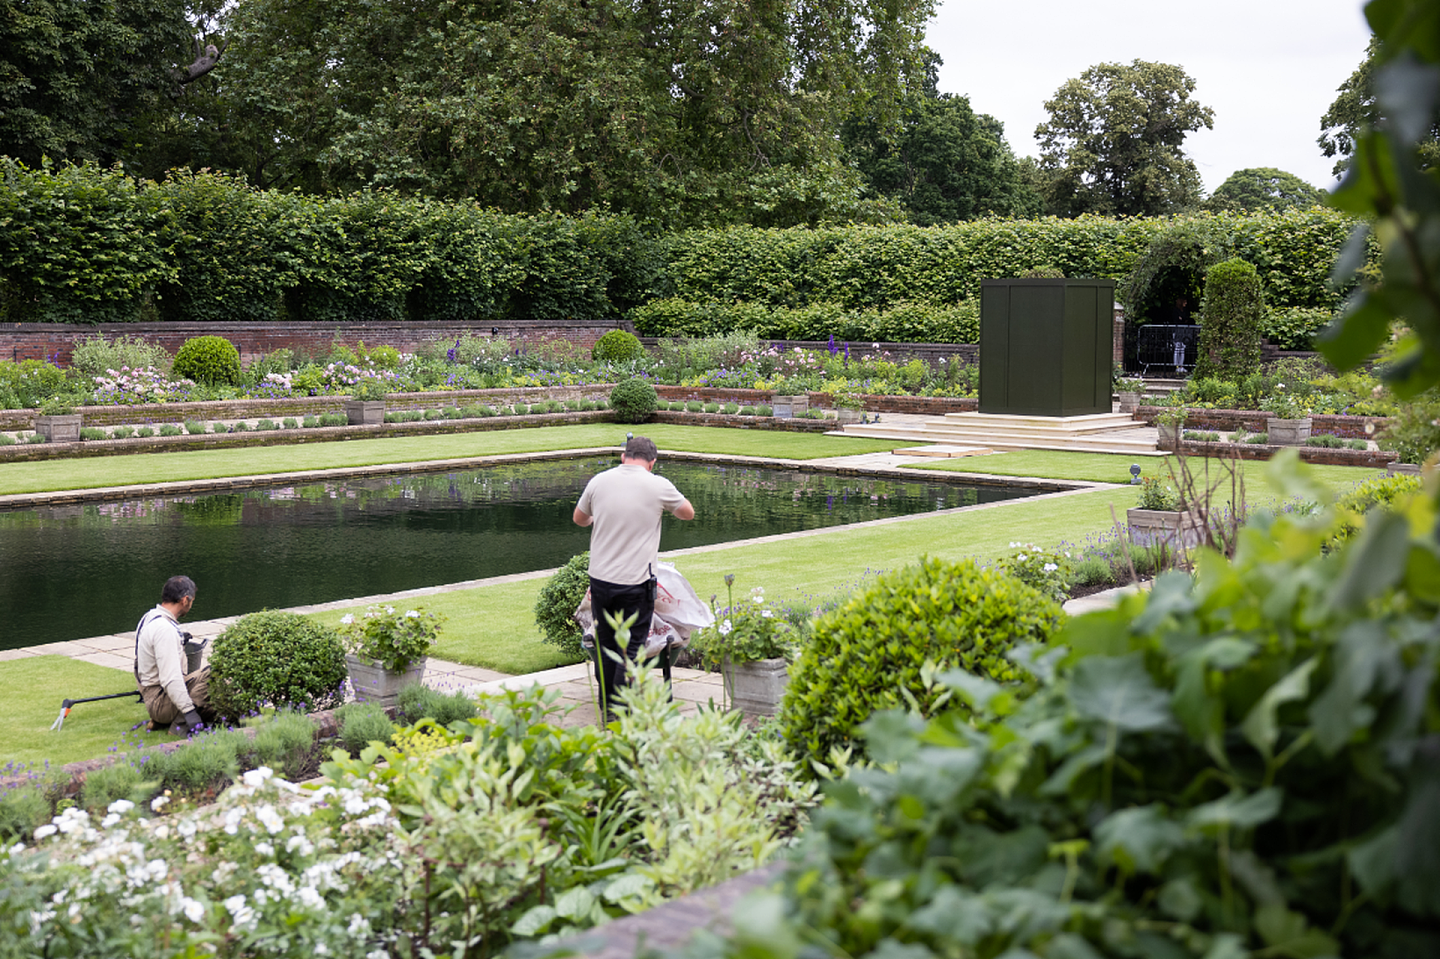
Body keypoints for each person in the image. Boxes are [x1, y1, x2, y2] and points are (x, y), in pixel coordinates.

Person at [573, 436, 695, 719]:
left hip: (600, 581)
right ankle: (618, 711)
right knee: (631, 647)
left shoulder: (599, 481)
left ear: (623, 456)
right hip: (636, 583)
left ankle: (607, 703)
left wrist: (596, 519)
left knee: (605, 642)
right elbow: (687, 513)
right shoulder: (658, 485)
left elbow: (579, 518)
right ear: (652, 463)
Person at [134, 575, 213, 735]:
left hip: (152, 696)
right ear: (185, 600)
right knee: (213, 673)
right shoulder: (165, 629)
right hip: (160, 700)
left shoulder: (150, 617)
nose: (191, 605)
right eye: (192, 601)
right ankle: (180, 725)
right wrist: (189, 712)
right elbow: (171, 678)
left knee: (213, 702)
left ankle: (160, 721)